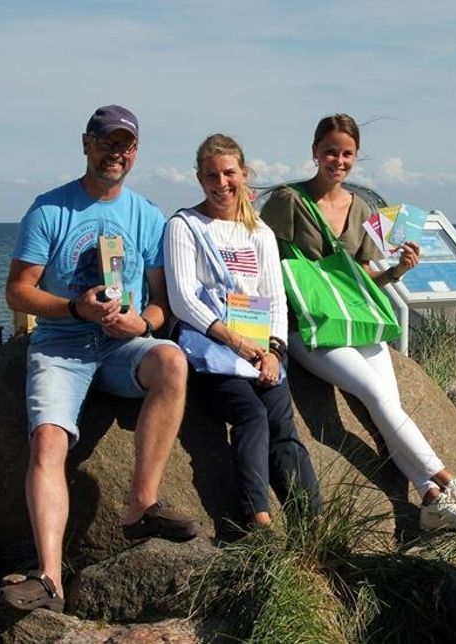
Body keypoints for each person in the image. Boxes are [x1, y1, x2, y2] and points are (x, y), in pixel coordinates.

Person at [0, 105, 199, 614]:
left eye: (127, 145)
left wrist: (145, 324)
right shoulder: (49, 210)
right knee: (47, 440)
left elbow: (162, 299)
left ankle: (141, 506)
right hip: (62, 344)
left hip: (121, 345)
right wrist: (72, 307)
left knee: (172, 362)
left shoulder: (147, 215)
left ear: (136, 152)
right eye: (108, 142)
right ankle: (49, 579)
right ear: (86, 144)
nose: (117, 153)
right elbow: (18, 292)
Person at [260, 114, 456, 530]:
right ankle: (446, 479)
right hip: (308, 324)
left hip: (355, 320)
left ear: (356, 157)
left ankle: (430, 496)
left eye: (347, 154)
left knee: (387, 403)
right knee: (374, 394)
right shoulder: (287, 201)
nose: (338, 160)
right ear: (314, 152)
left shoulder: (361, 207)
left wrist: (398, 270)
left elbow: (361, 278)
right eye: (330, 151)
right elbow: (262, 257)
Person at [164, 134, 320, 529]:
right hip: (213, 348)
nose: (221, 184)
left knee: (284, 428)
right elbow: (183, 300)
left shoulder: (261, 234)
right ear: (200, 179)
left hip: (260, 349)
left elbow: (275, 299)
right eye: (211, 176)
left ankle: (313, 523)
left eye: (229, 173)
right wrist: (236, 343)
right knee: (250, 415)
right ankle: (259, 517)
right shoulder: (185, 226)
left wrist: (274, 351)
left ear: (244, 174)